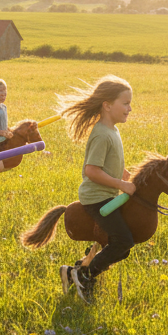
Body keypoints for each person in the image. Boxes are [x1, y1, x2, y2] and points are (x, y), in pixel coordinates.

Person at [57, 75, 136, 297]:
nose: (130, 108)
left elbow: (112, 164)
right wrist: (121, 184)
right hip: (97, 198)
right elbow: (91, 170)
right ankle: (84, 276)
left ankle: (73, 271)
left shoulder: (112, 130)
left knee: (123, 244)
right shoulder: (102, 134)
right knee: (123, 242)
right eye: (126, 103)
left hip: (108, 194)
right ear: (107, 105)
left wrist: (129, 178)